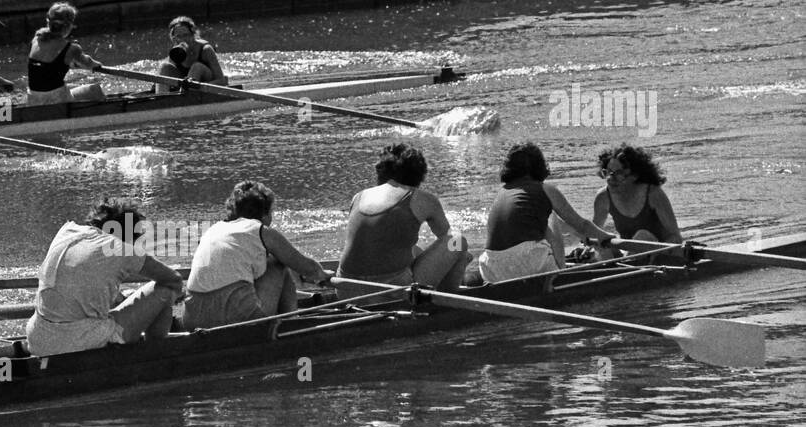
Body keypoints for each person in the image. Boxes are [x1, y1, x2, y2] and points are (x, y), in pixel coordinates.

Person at [26, 199, 183, 356]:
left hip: (38, 339)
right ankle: (155, 357)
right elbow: (173, 279)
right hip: (75, 343)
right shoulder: (119, 247)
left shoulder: (68, 231)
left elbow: (80, 287)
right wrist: (176, 295)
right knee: (166, 290)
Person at [184, 181, 331, 330]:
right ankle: (291, 325)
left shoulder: (213, 229)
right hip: (237, 318)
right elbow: (309, 269)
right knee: (278, 263)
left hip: (192, 319)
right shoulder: (260, 230)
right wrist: (324, 275)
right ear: (264, 214)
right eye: (271, 212)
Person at [469, 141, 616, 284]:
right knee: (551, 215)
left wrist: (580, 235)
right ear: (540, 166)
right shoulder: (546, 189)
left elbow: (569, 227)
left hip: (491, 270)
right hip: (528, 264)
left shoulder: (503, 192)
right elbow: (582, 224)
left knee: (546, 219)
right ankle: (560, 273)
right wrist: (604, 236)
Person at [336, 144, 470, 297]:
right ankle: (449, 301)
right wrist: (463, 256)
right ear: (419, 174)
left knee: (413, 248)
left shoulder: (359, 196)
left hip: (344, 289)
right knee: (459, 241)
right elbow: (447, 238)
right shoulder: (424, 199)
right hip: (392, 291)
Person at [591, 144, 683, 253]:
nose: (611, 179)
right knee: (603, 243)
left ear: (634, 175)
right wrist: (590, 249)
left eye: (618, 173)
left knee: (642, 235)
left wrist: (662, 251)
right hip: (630, 258)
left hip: (660, 256)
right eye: (608, 172)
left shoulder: (653, 194)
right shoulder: (603, 197)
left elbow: (676, 237)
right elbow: (593, 234)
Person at [26, 2, 106, 106]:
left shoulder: (36, 39)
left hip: (33, 100)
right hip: (58, 101)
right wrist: (98, 65)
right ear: (68, 26)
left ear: (49, 22)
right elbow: (89, 63)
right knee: (95, 89)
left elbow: (45, 66)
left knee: (70, 86)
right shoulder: (72, 49)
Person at [158, 16, 227, 88]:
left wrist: (201, 87)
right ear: (174, 39)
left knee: (196, 67)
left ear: (193, 35)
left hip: (206, 81)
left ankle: (188, 93)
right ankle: (160, 96)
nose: (182, 40)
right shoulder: (175, 52)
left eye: (186, 35)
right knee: (164, 66)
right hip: (186, 84)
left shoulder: (206, 49)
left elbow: (221, 81)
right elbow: (165, 73)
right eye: (179, 36)